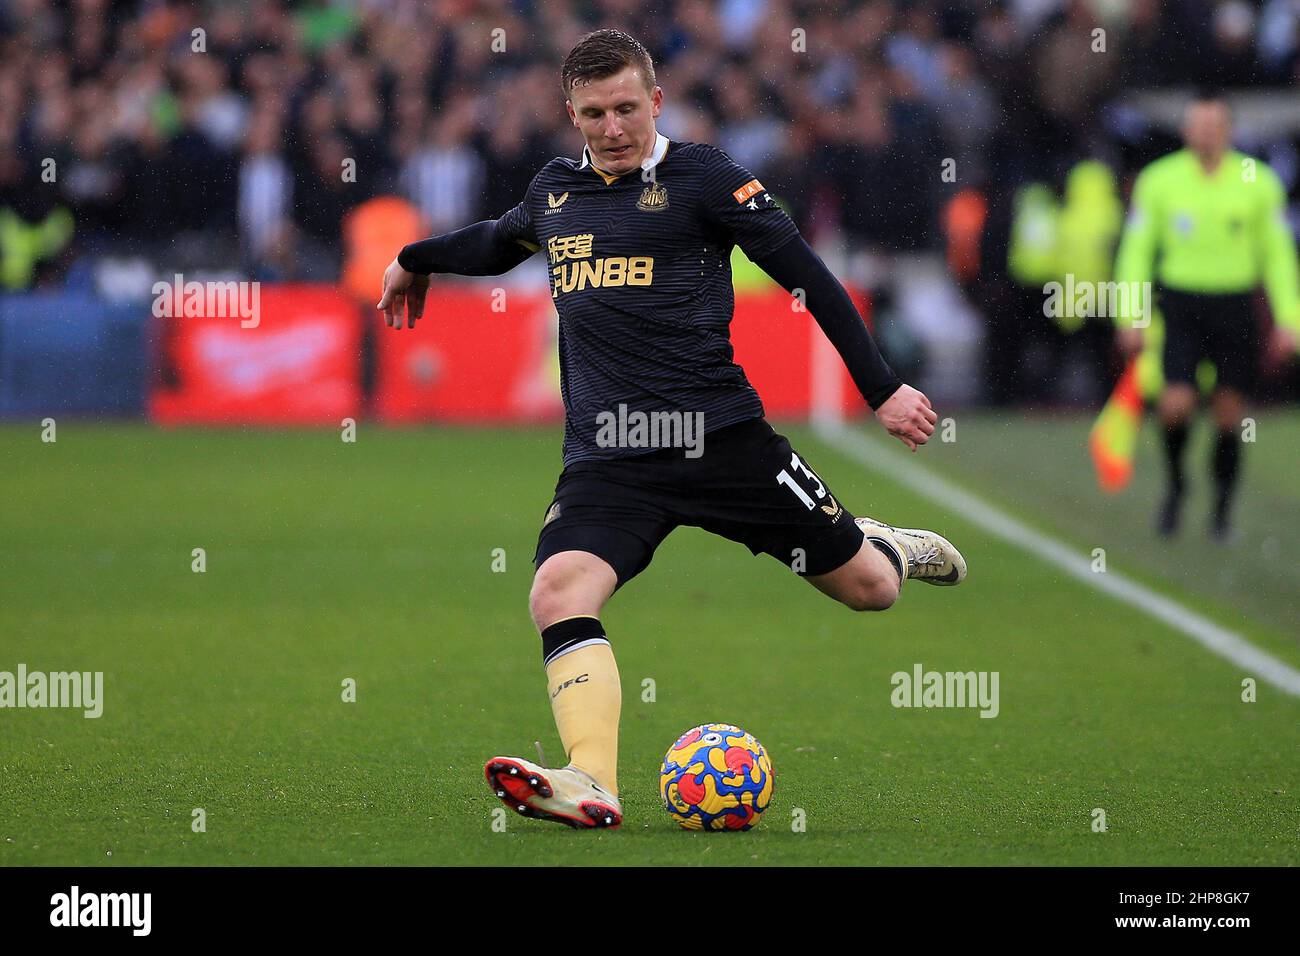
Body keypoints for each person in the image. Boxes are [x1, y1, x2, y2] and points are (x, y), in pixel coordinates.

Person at [376, 30, 967, 829]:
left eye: (626, 108)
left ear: (655, 101)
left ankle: (885, 543)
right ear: (571, 114)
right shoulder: (556, 193)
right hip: (609, 457)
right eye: (594, 114)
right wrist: (414, 256)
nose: (613, 128)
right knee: (557, 591)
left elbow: (810, 277)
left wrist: (882, 387)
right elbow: (494, 239)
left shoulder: (706, 178)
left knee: (872, 591)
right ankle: (590, 780)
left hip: (722, 442)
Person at [1114, 91, 1300, 539]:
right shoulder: (1159, 181)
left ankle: (1221, 508)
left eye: (1214, 125)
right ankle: (1177, 486)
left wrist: (1289, 320)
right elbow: (1137, 251)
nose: (1205, 132)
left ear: (1229, 131)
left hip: (1235, 308)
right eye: (1198, 124)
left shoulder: (1259, 182)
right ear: (1185, 130)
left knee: (1228, 414)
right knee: (1175, 406)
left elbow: (1277, 256)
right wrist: (1130, 315)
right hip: (1181, 306)